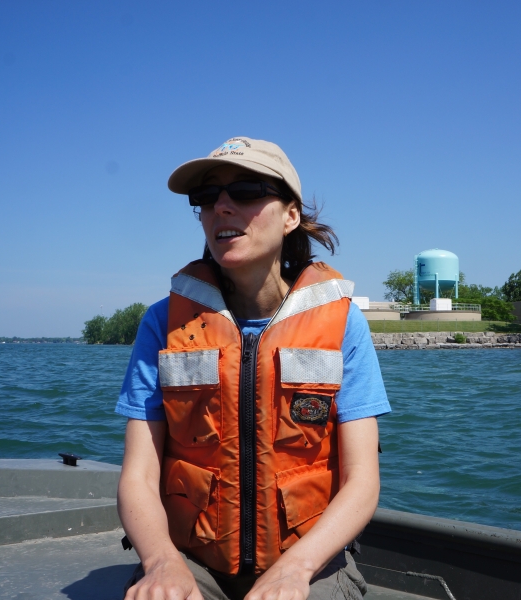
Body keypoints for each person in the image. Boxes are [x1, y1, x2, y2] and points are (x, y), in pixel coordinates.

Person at [115, 137, 391, 600]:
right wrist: (162, 563)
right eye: (205, 197)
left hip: (309, 562)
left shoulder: (344, 325)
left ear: (290, 216)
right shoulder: (163, 324)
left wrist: (296, 570)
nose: (220, 206)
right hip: (194, 560)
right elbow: (139, 475)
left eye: (245, 191)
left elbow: (362, 480)